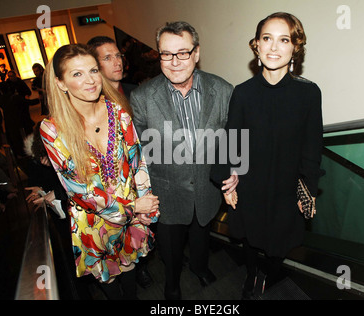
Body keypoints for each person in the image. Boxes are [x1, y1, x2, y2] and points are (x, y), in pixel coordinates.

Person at [211, 12, 323, 299]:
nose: (274, 47)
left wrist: (307, 188)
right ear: (257, 46)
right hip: (251, 184)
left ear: (295, 48)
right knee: (250, 237)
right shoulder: (243, 93)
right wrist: (228, 180)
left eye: (283, 40)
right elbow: (231, 141)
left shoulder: (309, 94)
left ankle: (268, 271)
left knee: (281, 242)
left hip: (287, 187)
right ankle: (252, 273)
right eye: (267, 39)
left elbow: (312, 146)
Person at [40, 44, 159, 300]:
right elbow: (80, 191)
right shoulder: (52, 129)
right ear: (61, 83)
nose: (90, 80)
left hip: (132, 215)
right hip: (94, 223)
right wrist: (133, 206)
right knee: (110, 283)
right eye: (77, 74)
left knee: (130, 275)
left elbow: (138, 163)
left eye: (93, 70)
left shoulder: (117, 111)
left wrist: (148, 207)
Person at [130, 21, 238, 300]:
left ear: (197, 53)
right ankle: (172, 285)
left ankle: (200, 268)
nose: (174, 62)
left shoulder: (223, 90)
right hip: (166, 195)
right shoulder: (142, 97)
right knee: (171, 251)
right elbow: (139, 154)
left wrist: (236, 171)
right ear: (158, 55)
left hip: (207, 190)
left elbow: (234, 136)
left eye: (183, 53)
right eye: (166, 54)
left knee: (202, 236)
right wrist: (140, 196)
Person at [87, 35, 154, 289]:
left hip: (143, 176)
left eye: (118, 56)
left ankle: (143, 267)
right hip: (112, 193)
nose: (117, 62)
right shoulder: (91, 103)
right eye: (107, 57)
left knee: (142, 236)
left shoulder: (135, 90)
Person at [87, 36, 138, 101]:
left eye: (118, 56)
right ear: (94, 64)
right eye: (107, 58)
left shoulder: (136, 92)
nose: (118, 63)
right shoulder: (93, 101)